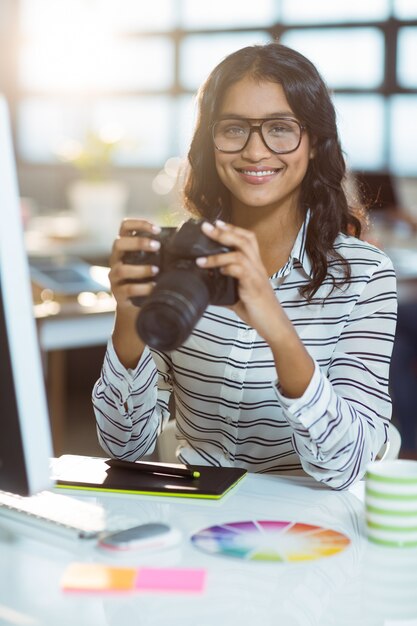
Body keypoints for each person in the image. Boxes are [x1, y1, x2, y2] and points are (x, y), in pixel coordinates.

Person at [92, 43, 397, 490]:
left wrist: (275, 326)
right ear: (210, 143)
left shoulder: (365, 276)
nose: (255, 151)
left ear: (315, 143)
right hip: (196, 520)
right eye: (234, 129)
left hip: (314, 530)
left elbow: (346, 466)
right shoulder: (180, 260)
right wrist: (130, 320)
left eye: (280, 128)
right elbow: (124, 447)